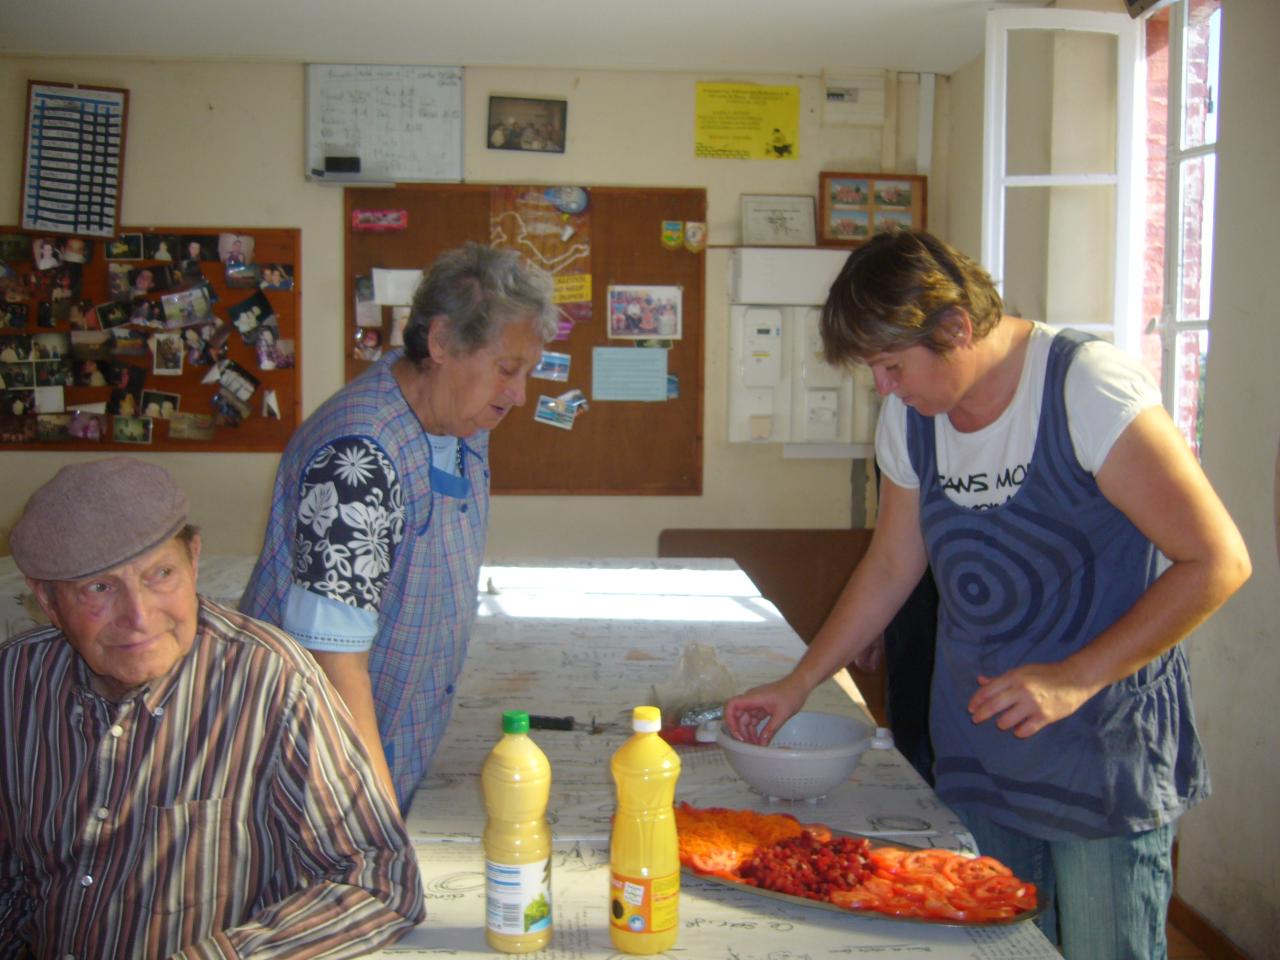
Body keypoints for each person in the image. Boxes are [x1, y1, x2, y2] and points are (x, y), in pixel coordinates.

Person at [723, 230, 1251, 958]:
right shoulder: (911, 418)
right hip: (979, 750)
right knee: (993, 945)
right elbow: (890, 565)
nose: (883, 387)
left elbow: (1218, 560)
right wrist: (800, 682)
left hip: (1101, 749)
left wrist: (1074, 678)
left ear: (957, 328)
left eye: (890, 365)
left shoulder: (1085, 388)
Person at [0, 458, 425, 957]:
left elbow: (380, 879)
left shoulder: (272, 683)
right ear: (47, 601)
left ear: (194, 559)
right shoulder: (17, 681)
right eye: (100, 587)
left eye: (161, 574)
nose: (139, 617)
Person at [240, 243, 557, 812]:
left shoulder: (461, 420)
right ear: (440, 343)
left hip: (397, 735)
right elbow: (330, 661)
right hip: (319, 771)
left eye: (528, 372)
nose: (519, 394)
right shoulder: (357, 457)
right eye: (507, 369)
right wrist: (375, 814)